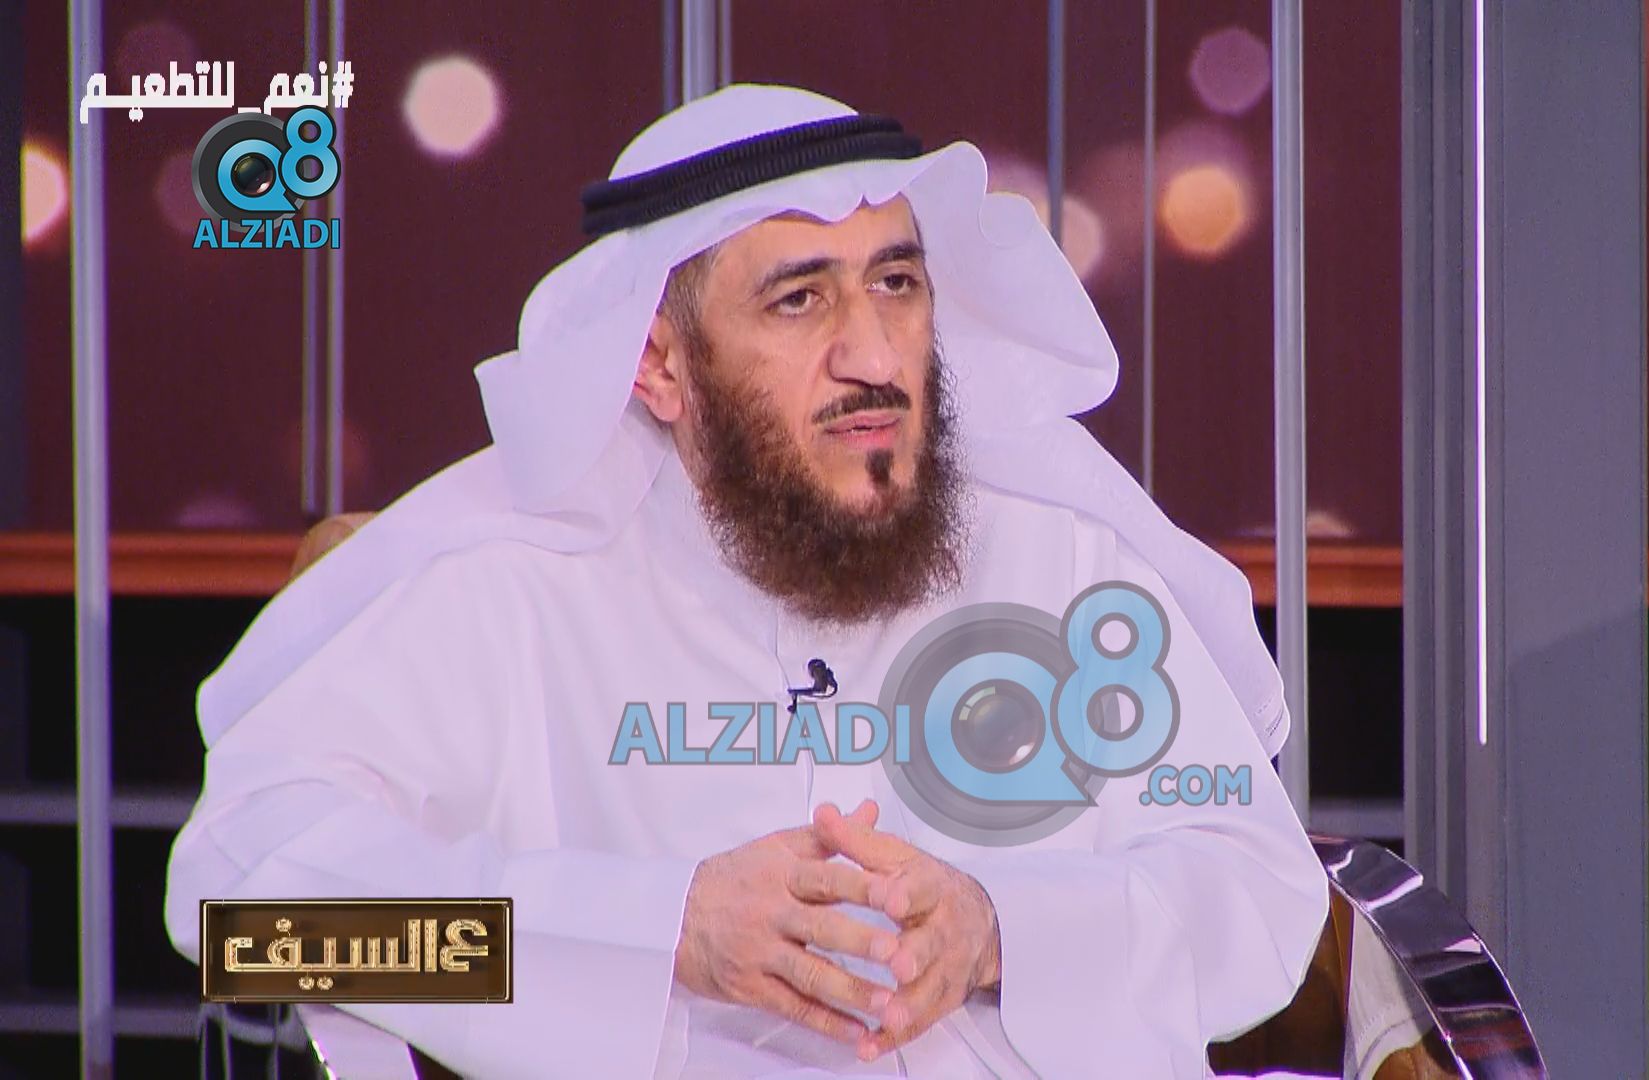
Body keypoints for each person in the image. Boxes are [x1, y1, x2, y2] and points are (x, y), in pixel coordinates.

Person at [164, 83, 1329, 1078]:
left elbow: (1265, 896)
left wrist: (999, 933)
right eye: (799, 298)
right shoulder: (510, 593)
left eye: (897, 284)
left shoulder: (1066, 564)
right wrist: (652, 931)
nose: (873, 355)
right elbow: (249, 921)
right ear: (658, 363)